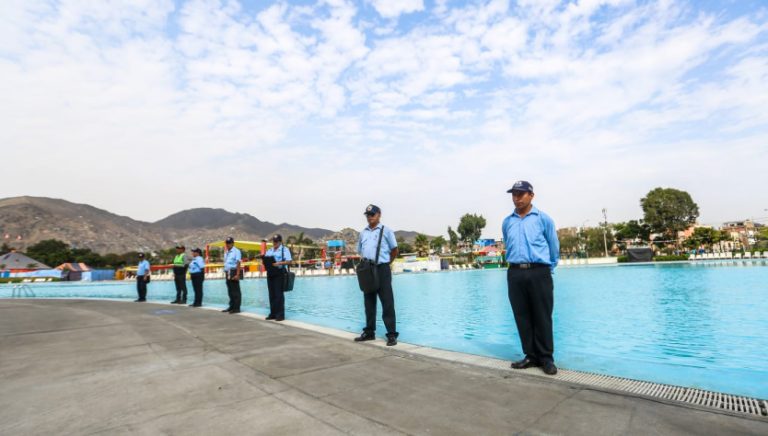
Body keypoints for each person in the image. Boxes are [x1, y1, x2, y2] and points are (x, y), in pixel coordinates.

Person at [502, 181, 560, 375]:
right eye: (514, 194)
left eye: (521, 194)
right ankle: (530, 355)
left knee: (542, 316)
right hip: (515, 273)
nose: (516, 198)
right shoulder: (507, 222)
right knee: (522, 316)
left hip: (539, 271)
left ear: (531, 196)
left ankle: (546, 358)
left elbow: (553, 247)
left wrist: (546, 269)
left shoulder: (544, 219)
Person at [354, 204, 400, 346]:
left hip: (382, 269)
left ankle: (391, 334)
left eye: (372, 214)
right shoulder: (363, 233)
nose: (370, 217)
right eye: (368, 215)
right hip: (368, 270)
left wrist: (386, 264)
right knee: (369, 302)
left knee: (387, 302)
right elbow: (360, 250)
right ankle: (369, 332)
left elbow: (394, 250)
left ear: (379, 214)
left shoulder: (386, 231)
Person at [263, 234, 292, 321]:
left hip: (279, 273)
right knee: (271, 294)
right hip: (270, 273)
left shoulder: (284, 249)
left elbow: (289, 261)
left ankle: (280, 315)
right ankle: (273, 313)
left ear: (280, 241)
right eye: (273, 241)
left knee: (278, 294)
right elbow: (267, 260)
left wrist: (279, 263)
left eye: (276, 241)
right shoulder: (270, 250)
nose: (274, 243)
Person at [223, 237, 242, 314]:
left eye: (229, 243)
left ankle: (236, 308)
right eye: (226, 243)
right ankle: (231, 306)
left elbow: (238, 263)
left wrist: (237, 274)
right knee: (230, 290)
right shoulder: (226, 252)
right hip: (228, 272)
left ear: (232, 243)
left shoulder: (236, 251)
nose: (227, 244)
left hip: (234, 271)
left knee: (235, 291)